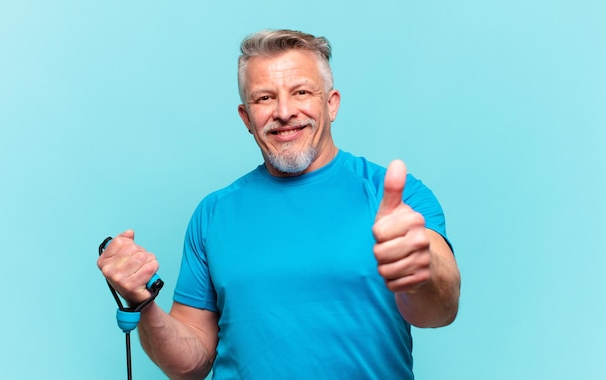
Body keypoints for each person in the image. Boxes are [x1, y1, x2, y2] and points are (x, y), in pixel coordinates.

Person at [98, 29, 461, 379]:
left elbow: (440, 310)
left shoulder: (397, 197)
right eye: (265, 98)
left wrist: (422, 268)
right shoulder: (213, 214)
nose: (284, 112)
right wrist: (142, 304)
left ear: (331, 104)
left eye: (301, 92)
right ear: (246, 118)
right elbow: (190, 366)